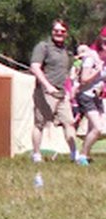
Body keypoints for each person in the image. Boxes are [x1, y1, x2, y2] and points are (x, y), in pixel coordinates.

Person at [29, 19, 79, 163]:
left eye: (62, 31)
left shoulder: (66, 51)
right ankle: (36, 155)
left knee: (69, 122)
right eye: (56, 30)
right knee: (40, 123)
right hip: (45, 92)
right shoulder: (43, 47)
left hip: (62, 93)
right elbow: (35, 67)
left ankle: (74, 154)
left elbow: (66, 74)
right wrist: (47, 86)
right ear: (52, 32)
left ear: (66, 33)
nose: (59, 33)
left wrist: (69, 91)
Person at [74, 42, 105, 165]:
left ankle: (85, 155)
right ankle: (82, 156)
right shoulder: (91, 58)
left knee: (92, 129)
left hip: (97, 97)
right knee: (98, 128)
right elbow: (84, 79)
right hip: (85, 96)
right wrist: (97, 70)